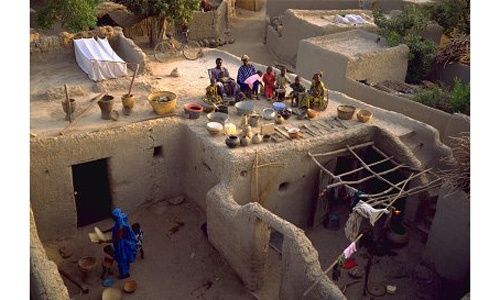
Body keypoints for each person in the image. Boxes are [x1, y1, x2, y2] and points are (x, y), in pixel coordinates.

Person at [102, 208, 137, 279]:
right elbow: (114, 227)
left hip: (123, 244)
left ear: (115, 217)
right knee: (123, 258)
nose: (113, 218)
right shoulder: (120, 220)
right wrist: (105, 231)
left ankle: (125, 274)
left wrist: (105, 241)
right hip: (123, 241)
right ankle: (125, 270)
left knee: (122, 259)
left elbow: (117, 239)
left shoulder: (121, 227)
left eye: (113, 217)